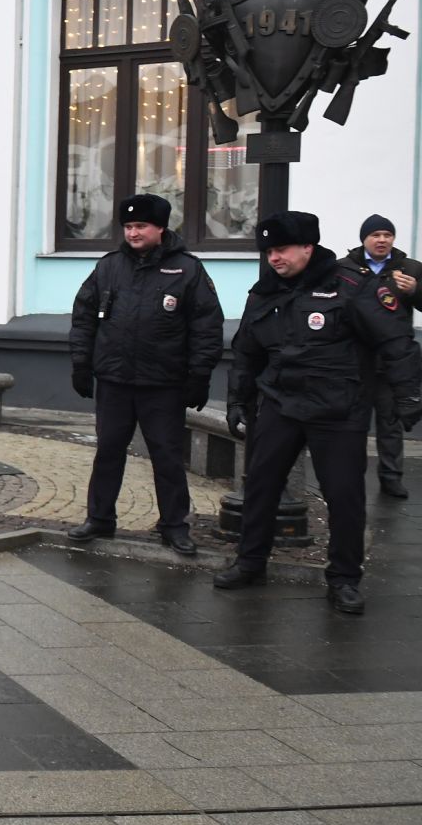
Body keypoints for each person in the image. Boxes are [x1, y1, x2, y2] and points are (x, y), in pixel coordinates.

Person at [217, 211, 422, 614]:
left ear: (308, 248)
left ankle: (344, 579)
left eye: (282, 250)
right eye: (269, 251)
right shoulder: (264, 291)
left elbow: (394, 341)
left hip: (338, 409)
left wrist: (409, 397)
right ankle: (250, 562)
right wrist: (238, 400)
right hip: (280, 404)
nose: (274, 258)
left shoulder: (352, 287)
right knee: (260, 487)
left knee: (344, 497)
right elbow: (247, 351)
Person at [68, 193, 223, 554]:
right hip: (115, 381)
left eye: (141, 226)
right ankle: (100, 519)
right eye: (129, 226)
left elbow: (206, 326)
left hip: (163, 384)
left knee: (167, 456)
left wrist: (199, 375)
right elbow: (84, 316)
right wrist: (81, 363)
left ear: (160, 228)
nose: (134, 233)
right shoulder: (108, 267)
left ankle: (174, 525)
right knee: (108, 451)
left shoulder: (187, 269)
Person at [346, 214, 420, 499]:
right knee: (354, 422)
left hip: (393, 360)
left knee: (390, 422)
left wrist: (415, 290)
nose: (382, 240)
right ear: (364, 239)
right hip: (356, 359)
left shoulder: (410, 268)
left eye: (387, 235)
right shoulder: (346, 268)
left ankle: (391, 477)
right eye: (375, 235)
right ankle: (351, 474)